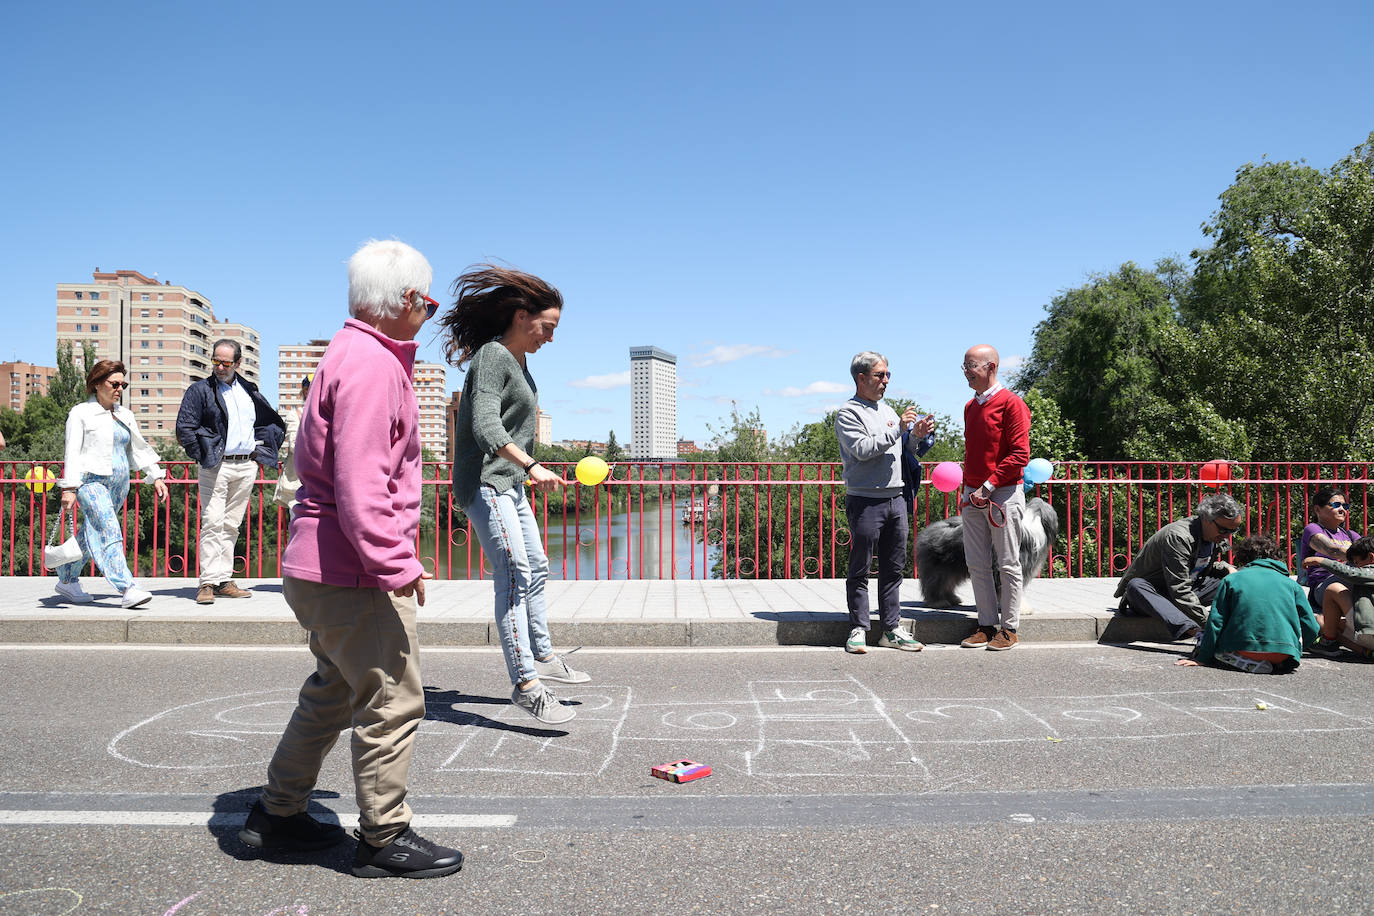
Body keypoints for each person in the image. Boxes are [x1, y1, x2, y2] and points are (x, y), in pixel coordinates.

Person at [240, 240, 463, 879]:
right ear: (402, 301)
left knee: (332, 691)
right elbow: (362, 481)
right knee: (392, 700)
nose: (429, 312)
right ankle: (383, 836)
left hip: (317, 562)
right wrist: (398, 563)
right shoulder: (371, 364)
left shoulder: (346, 352)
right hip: (353, 568)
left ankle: (277, 814)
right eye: (427, 301)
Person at [440, 264, 588, 725]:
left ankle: (542, 654)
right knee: (515, 573)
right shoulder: (492, 356)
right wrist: (532, 465)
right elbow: (486, 425)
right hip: (486, 482)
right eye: (548, 326)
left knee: (537, 567)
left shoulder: (522, 364)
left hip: (510, 483)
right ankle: (526, 683)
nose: (551, 337)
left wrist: (527, 470)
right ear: (522, 316)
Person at [835, 350, 934, 654]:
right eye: (880, 375)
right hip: (865, 500)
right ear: (861, 378)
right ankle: (858, 628)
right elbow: (863, 449)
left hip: (897, 498)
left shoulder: (889, 411)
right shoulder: (848, 413)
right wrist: (898, 429)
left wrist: (915, 436)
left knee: (894, 569)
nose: (886, 381)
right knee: (860, 568)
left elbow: (905, 450)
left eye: (888, 375)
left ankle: (890, 629)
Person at [175, 338, 285, 604]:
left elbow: (265, 424)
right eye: (216, 361)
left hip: (246, 465)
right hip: (216, 465)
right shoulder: (200, 390)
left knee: (231, 525)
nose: (220, 367)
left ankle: (224, 580)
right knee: (212, 522)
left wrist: (260, 454)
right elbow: (184, 429)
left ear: (238, 363)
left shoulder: (249, 390)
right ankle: (207, 583)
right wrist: (203, 456)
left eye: (226, 362)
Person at [53, 359, 168, 608]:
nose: (119, 389)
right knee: (109, 530)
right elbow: (71, 452)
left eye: (123, 384)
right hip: (90, 483)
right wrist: (70, 487)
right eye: (114, 383)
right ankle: (127, 587)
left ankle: (67, 579)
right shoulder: (81, 413)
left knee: (92, 532)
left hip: (119, 484)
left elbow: (138, 448)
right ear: (96, 384)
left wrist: (156, 475)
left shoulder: (124, 414)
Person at [957, 345, 1031, 651]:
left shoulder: (1012, 404)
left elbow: (1020, 455)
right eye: (964, 366)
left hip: (1001, 493)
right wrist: (968, 490)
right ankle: (985, 625)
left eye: (970, 366)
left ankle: (1009, 628)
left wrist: (988, 486)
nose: (965, 372)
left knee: (1008, 563)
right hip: (973, 494)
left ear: (991, 367)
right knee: (976, 564)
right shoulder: (970, 407)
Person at [1175, 535, 1317, 674]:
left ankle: (1235, 658)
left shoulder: (1232, 580)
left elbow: (1216, 622)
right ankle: (1276, 663)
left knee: (1204, 637)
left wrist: (1203, 658)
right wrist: (1296, 650)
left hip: (1245, 649)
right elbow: (1311, 625)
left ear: (1243, 559)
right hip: (1283, 653)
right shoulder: (1292, 585)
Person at [1114, 492, 1243, 641]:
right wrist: (1210, 623)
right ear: (1207, 519)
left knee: (1241, 577)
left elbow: (1202, 562)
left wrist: (1227, 569)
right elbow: (1179, 588)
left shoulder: (1213, 535)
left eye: (1233, 531)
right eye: (1223, 530)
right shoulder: (1179, 537)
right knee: (1136, 586)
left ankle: (1245, 621)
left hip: (1189, 589)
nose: (1227, 536)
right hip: (1157, 594)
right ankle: (1196, 631)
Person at [1295, 487, 1359, 632]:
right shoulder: (1313, 529)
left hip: (1350, 581)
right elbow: (1331, 549)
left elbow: (1368, 553)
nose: (1343, 509)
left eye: (1345, 506)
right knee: (1345, 582)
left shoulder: (1350, 534)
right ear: (1317, 509)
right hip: (1323, 587)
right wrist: (1359, 557)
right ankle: (1360, 629)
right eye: (1336, 505)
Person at [1302, 535, 1374, 658]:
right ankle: (1366, 652)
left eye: (1357, 562)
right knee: (1326, 623)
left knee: (1334, 588)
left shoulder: (1369, 571)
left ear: (1371, 557)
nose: (1355, 566)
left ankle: (1327, 642)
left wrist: (1321, 561)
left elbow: (1351, 574)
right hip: (1368, 634)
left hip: (1370, 633)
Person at [272, 374, 311, 512]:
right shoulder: (295, 415)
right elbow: (295, 446)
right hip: (298, 484)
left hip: (323, 484)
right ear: (306, 391)